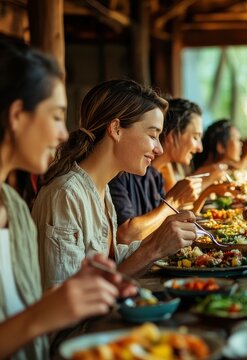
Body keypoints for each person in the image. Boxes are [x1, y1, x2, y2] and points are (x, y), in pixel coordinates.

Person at [0, 39, 135, 359]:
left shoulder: (13, 207)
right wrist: (43, 314)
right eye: (57, 116)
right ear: (18, 115)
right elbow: (32, 318)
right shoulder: (63, 193)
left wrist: (80, 289)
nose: (65, 133)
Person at [32, 79, 197, 290]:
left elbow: (113, 263)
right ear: (116, 129)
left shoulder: (102, 189)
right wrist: (154, 248)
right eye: (152, 135)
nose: (159, 149)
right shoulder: (66, 195)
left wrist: (164, 238)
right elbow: (68, 299)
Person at [109, 98, 203, 244]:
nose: (199, 148)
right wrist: (174, 199)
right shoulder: (117, 174)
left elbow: (163, 226)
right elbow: (126, 236)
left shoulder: (154, 175)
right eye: (195, 137)